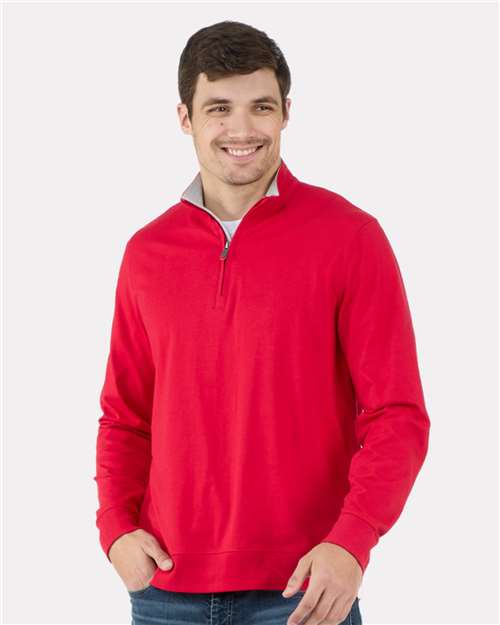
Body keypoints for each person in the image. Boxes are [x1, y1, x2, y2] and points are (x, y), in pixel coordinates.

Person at [93, 20, 430, 625]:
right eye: (219, 108)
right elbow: (125, 415)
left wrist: (353, 540)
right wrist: (116, 528)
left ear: (286, 113)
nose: (242, 129)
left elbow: (397, 414)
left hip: (303, 590)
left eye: (262, 107)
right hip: (165, 589)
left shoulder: (350, 237)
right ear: (185, 118)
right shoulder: (146, 252)